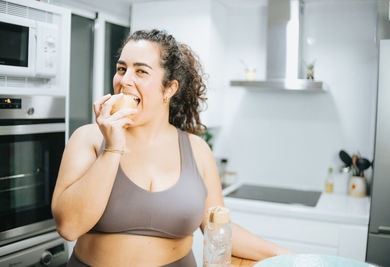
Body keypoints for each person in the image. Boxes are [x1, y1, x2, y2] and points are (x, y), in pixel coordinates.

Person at [52, 29, 292, 267]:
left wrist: (287, 255)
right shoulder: (89, 139)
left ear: (169, 89)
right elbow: (69, 227)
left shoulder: (197, 150)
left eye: (141, 71)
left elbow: (217, 228)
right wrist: (113, 148)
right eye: (122, 69)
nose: (124, 81)